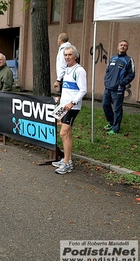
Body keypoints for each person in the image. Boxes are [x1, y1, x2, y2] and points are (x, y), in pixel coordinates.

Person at [52, 45, 87, 175]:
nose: (67, 57)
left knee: (63, 133)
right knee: (67, 134)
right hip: (63, 105)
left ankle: (66, 164)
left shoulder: (79, 70)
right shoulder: (67, 70)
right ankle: (68, 159)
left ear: (75, 56)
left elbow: (83, 90)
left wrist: (72, 102)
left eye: (70, 55)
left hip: (72, 106)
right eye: (65, 55)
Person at [102, 40, 135, 135]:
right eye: (121, 45)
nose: (123, 47)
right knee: (105, 105)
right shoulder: (113, 58)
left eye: (125, 45)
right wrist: (106, 81)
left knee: (117, 108)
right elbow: (107, 71)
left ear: (127, 48)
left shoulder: (129, 60)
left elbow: (131, 74)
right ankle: (111, 122)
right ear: (118, 47)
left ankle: (116, 129)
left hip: (118, 89)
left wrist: (122, 83)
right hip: (108, 87)